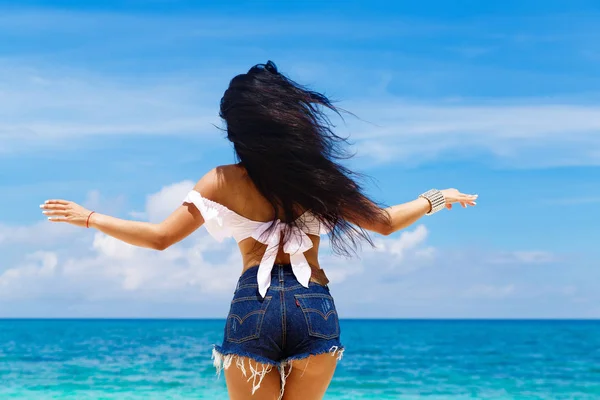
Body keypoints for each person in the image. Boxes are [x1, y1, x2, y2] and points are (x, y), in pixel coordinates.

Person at [40, 61, 477, 400]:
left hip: (255, 306)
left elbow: (159, 238)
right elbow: (384, 223)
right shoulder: (319, 177)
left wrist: (90, 217)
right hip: (315, 306)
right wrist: (436, 197)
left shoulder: (221, 181)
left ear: (238, 128)